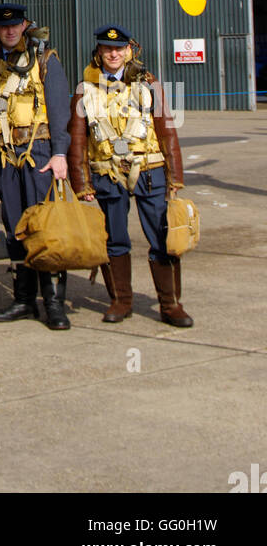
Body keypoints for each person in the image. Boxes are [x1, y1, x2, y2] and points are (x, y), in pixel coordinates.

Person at [68, 25, 192, 327]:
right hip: (108, 174)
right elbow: (78, 140)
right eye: (107, 49)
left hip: (150, 171)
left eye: (119, 49)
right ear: (98, 51)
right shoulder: (85, 90)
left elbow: (168, 132)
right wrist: (81, 183)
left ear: (129, 51)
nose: (113, 54)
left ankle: (170, 304)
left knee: (163, 237)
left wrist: (175, 177)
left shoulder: (149, 84)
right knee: (115, 240)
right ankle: (121, 300)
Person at [0, 4, 71, 330]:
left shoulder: (45, 61)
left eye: (15, 26)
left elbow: (60, 111)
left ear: (25, 26)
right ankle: (24, 299)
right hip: (5, 157)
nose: (10, 31)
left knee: (45, 228)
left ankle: (54, 303)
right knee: (15, 229)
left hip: (39, 154)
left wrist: (60, 154)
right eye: (4, 27)